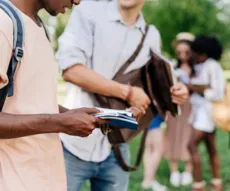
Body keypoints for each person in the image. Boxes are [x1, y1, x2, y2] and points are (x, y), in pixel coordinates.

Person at [57, 0, 189, 190]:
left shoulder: (150, 34)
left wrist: (177, 90)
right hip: (73, 143)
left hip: (117, 145)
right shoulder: (88, 11)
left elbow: (162, 77)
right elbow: (71, 70)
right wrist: (127, 92)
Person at [0, 0, 113, 190]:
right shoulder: (4, 25)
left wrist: (74, 115)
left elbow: (30, 102)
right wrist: (61, 123)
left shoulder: (37, 26)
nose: (77, 1)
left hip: (42, 178)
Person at [187, 35, 225, 191]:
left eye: (195, 53)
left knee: (191, 145)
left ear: (203, 53)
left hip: (207, 113)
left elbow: (217, 91)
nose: (193, 56)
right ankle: (217, 182)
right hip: (199, 113)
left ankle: (198, 184)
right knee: (211, 148)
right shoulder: (201, 66)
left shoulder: (212, 65)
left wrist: (198, 89)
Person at [164, 32, 195, 187]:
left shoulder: (199, 68)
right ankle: (174, 171)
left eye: (186, 52)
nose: (183, 56)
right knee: (172, 135)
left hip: (191, 107)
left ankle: (189, 171)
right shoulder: (172, 65)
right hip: (175, 106)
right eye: (179, 52)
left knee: (189, 136)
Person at [142, 114, 166, 191]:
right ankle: (149, 180)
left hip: (147, 116)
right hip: (154, 115)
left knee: (149, 149)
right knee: (157, 149)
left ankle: (147, 180)